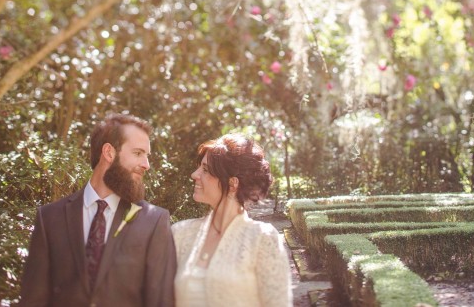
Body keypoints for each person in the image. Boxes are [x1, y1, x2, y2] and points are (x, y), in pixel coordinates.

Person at [19, 113, 176, 307]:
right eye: (138, 153)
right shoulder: (49, 218)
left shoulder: (154, 221)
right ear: (109, 152)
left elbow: (160, 301)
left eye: (146, 155)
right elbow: (33, 300)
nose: (146, 164)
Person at [171, 133, 293, 307]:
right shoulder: (180, 233)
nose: (194, 175)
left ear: (233, 184)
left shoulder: (262, 239)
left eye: (205, 170)